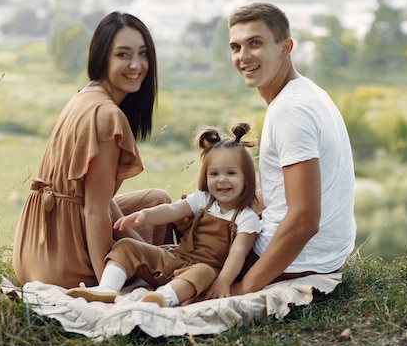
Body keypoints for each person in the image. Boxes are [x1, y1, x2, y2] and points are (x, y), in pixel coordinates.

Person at [12, 11, 173, 290]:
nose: (136, 65)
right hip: (61, 258)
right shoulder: (107, 115)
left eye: (142, 54)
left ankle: (150, 267)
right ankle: (136, 276)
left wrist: (137, 243)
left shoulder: (87, 95)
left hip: (32, 246)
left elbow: (97, 197)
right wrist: (105, 288)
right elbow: (95, 211)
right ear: (102, 58)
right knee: (158, 255)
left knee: (158, 201)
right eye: (123, 55)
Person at [226, 2, 357, 295]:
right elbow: (287, 196)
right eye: (235, 47)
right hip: (326, 253)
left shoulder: (290, 111)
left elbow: (304, 219)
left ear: (286, 47)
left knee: (181, 250)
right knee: (200, 212)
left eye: (255, 43)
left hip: (301, 260)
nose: (243, 56)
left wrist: (246, 286)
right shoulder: (306, 91)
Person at [65, 122, 261, 307]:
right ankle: (106, 289)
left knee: (203, 272)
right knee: (126, 246)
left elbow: (237, 254)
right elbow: (172, 210)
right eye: (214, 174)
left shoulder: (246, 218)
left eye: (231, 173)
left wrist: (224, 281)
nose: (222, 180)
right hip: (175, 258)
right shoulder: (203, 199)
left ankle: (161, 298)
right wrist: (145, 215)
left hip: (203, 271)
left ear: (247, 178)